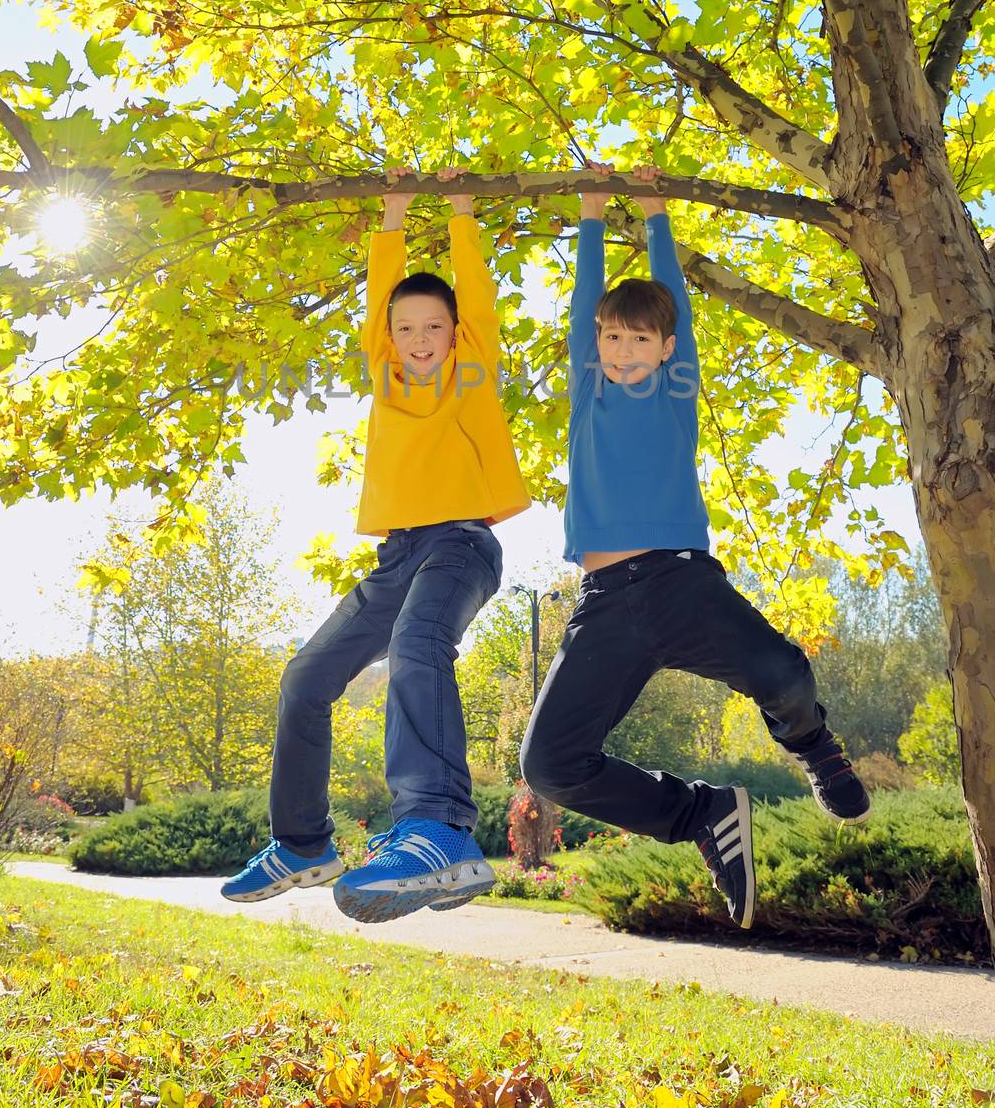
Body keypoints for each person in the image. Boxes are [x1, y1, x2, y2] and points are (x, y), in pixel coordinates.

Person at [520, 159, 869, 930]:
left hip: (681, 586)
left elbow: (670, 299)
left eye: (637, 337)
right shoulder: (590, 388)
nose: (619, 349)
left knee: (780, 671)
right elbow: (583, 307)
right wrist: (586, 215)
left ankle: (812, 745)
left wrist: (653, 217)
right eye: (611, 337)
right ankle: (701, 817)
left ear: (667, 345)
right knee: (548, 763)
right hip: (606, 606)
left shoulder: (676, 388)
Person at [222, 167, 530, 922]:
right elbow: (376, 299)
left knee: (418, 649)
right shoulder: (385, 375)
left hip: (460, 544)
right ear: (388, 338)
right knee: (306, 675)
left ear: (455, 333)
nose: (420, 339)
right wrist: (391, 215)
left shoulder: (471, 371)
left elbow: (477, 298)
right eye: (406, 327)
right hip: (396, 558)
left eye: (434, 327)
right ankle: (302, 843)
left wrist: (460, 209)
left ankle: (437, 827)